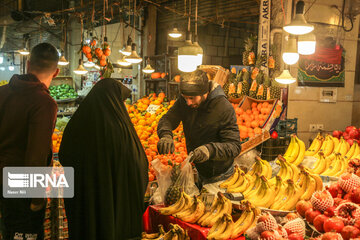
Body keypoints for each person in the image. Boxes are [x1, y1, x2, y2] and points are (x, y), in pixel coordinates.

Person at [59, 78, 148, 240]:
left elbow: (64, 155)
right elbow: (139, 165)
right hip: (116, 209)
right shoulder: (123, 130)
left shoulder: (76, 125)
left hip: (85, 203)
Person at [0, 43, 59, 239]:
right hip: (22, 186)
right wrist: (37, 198)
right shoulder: (44, 103)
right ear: (56, 72)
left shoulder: (2, 93)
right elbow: (36, 154)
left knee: (8, 232)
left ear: (27, 64)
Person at [157, 69, 241, 187]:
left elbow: (234, 146)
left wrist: (209, 150)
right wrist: (165, 134)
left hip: (221, 176)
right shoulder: (185, 101)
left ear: (204, 93)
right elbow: (167, 119)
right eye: (185, 98)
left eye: (192, 98)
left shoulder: (223, 108)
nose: (188, 103)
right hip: (200, 171)